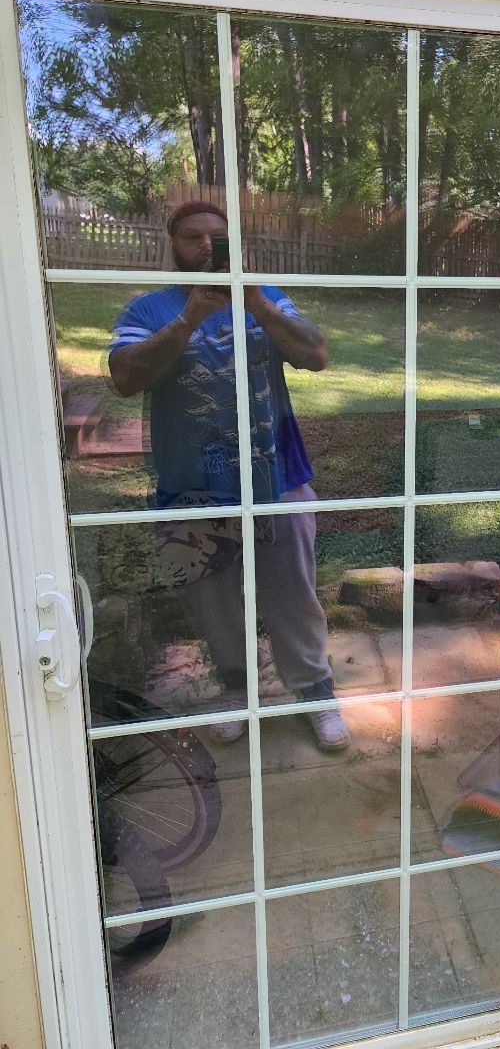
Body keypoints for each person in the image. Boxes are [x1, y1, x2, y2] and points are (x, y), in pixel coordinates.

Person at [107, 199, 350, 751]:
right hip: (191, 484)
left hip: (278, 476)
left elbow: (316, 355)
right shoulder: (146, 309)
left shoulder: (263, 299)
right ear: (173, 246)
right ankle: (237, 689)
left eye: (215, 238)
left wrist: (258, 302)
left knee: (294, 593)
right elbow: (124, 377)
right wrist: (190, 317)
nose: (203, 246)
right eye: (192, 236)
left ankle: (314, 690)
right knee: (214, 599)